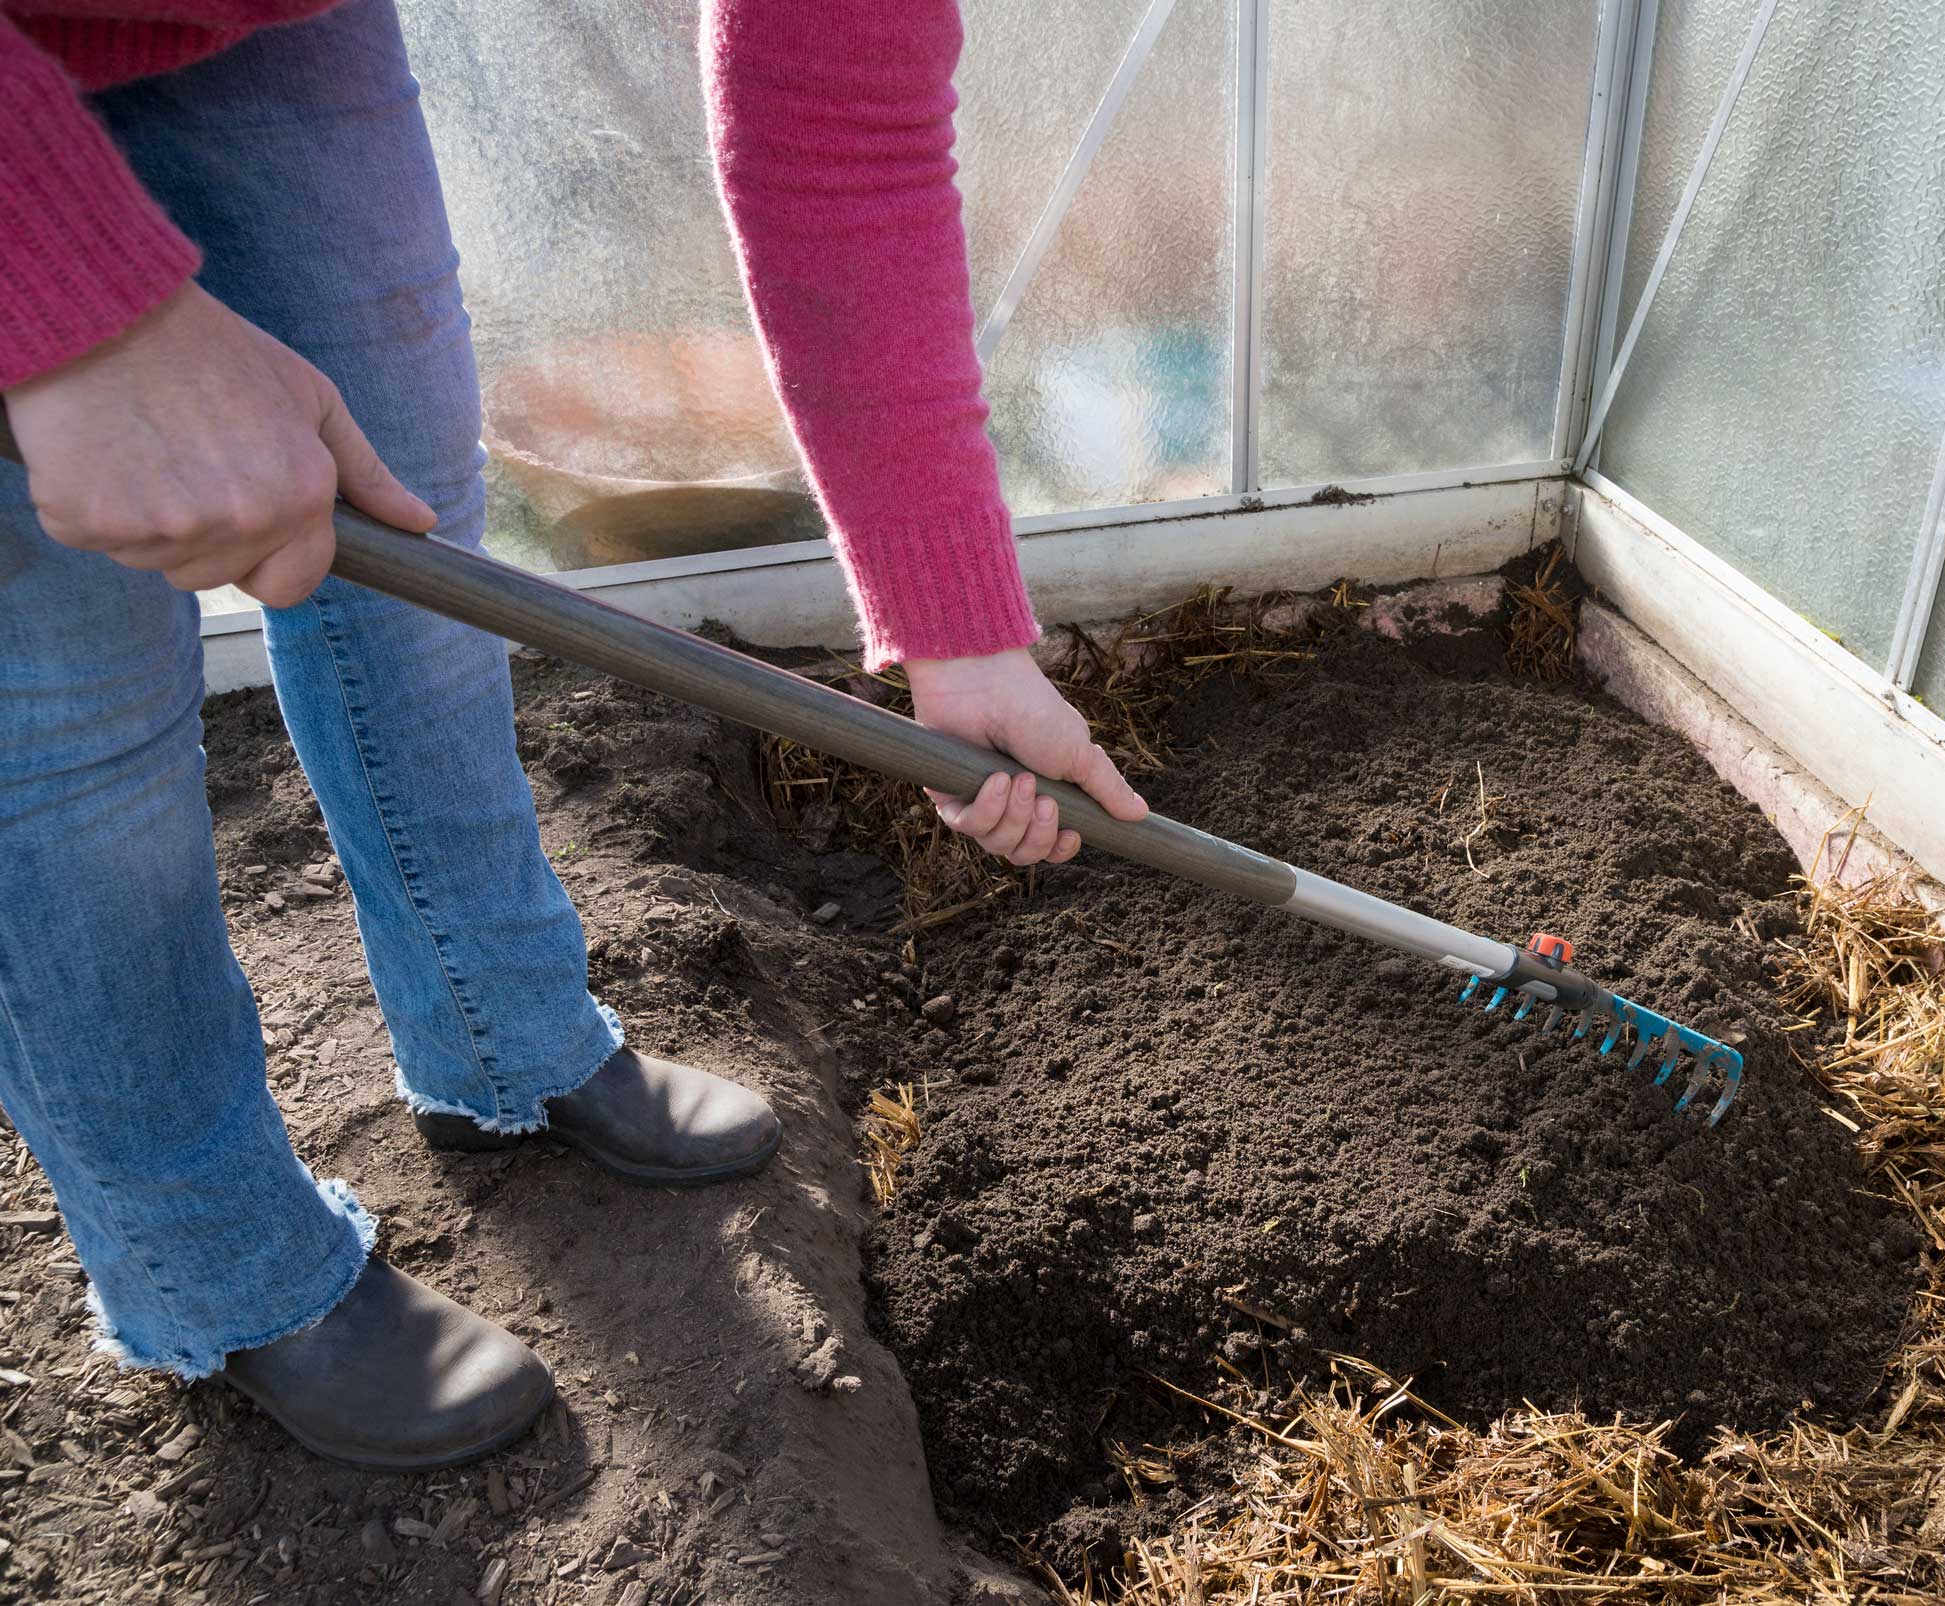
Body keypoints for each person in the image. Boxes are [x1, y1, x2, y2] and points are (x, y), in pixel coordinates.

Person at [0, 0, 1147, 1468]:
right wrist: (72, 314)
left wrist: (959, 626)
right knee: (64, 705)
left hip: (270, 26)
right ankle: (212, 1265)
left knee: (412, 527)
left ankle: (502, 1041)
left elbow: (843, 129)